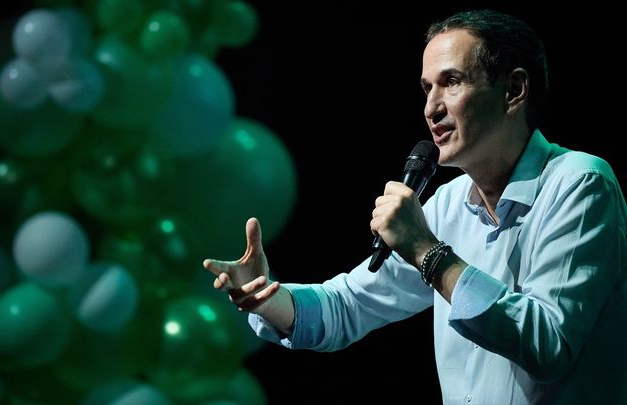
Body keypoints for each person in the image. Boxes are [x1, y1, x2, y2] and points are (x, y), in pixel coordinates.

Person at [203, 9, 627, 404]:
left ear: (513, 90)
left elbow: (548, 344)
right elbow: (350, 305)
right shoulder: (449, 204)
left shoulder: (580, 183)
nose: (431, 108)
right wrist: (266, 298)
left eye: (452, 82)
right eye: (427, 88)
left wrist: (427, 251)